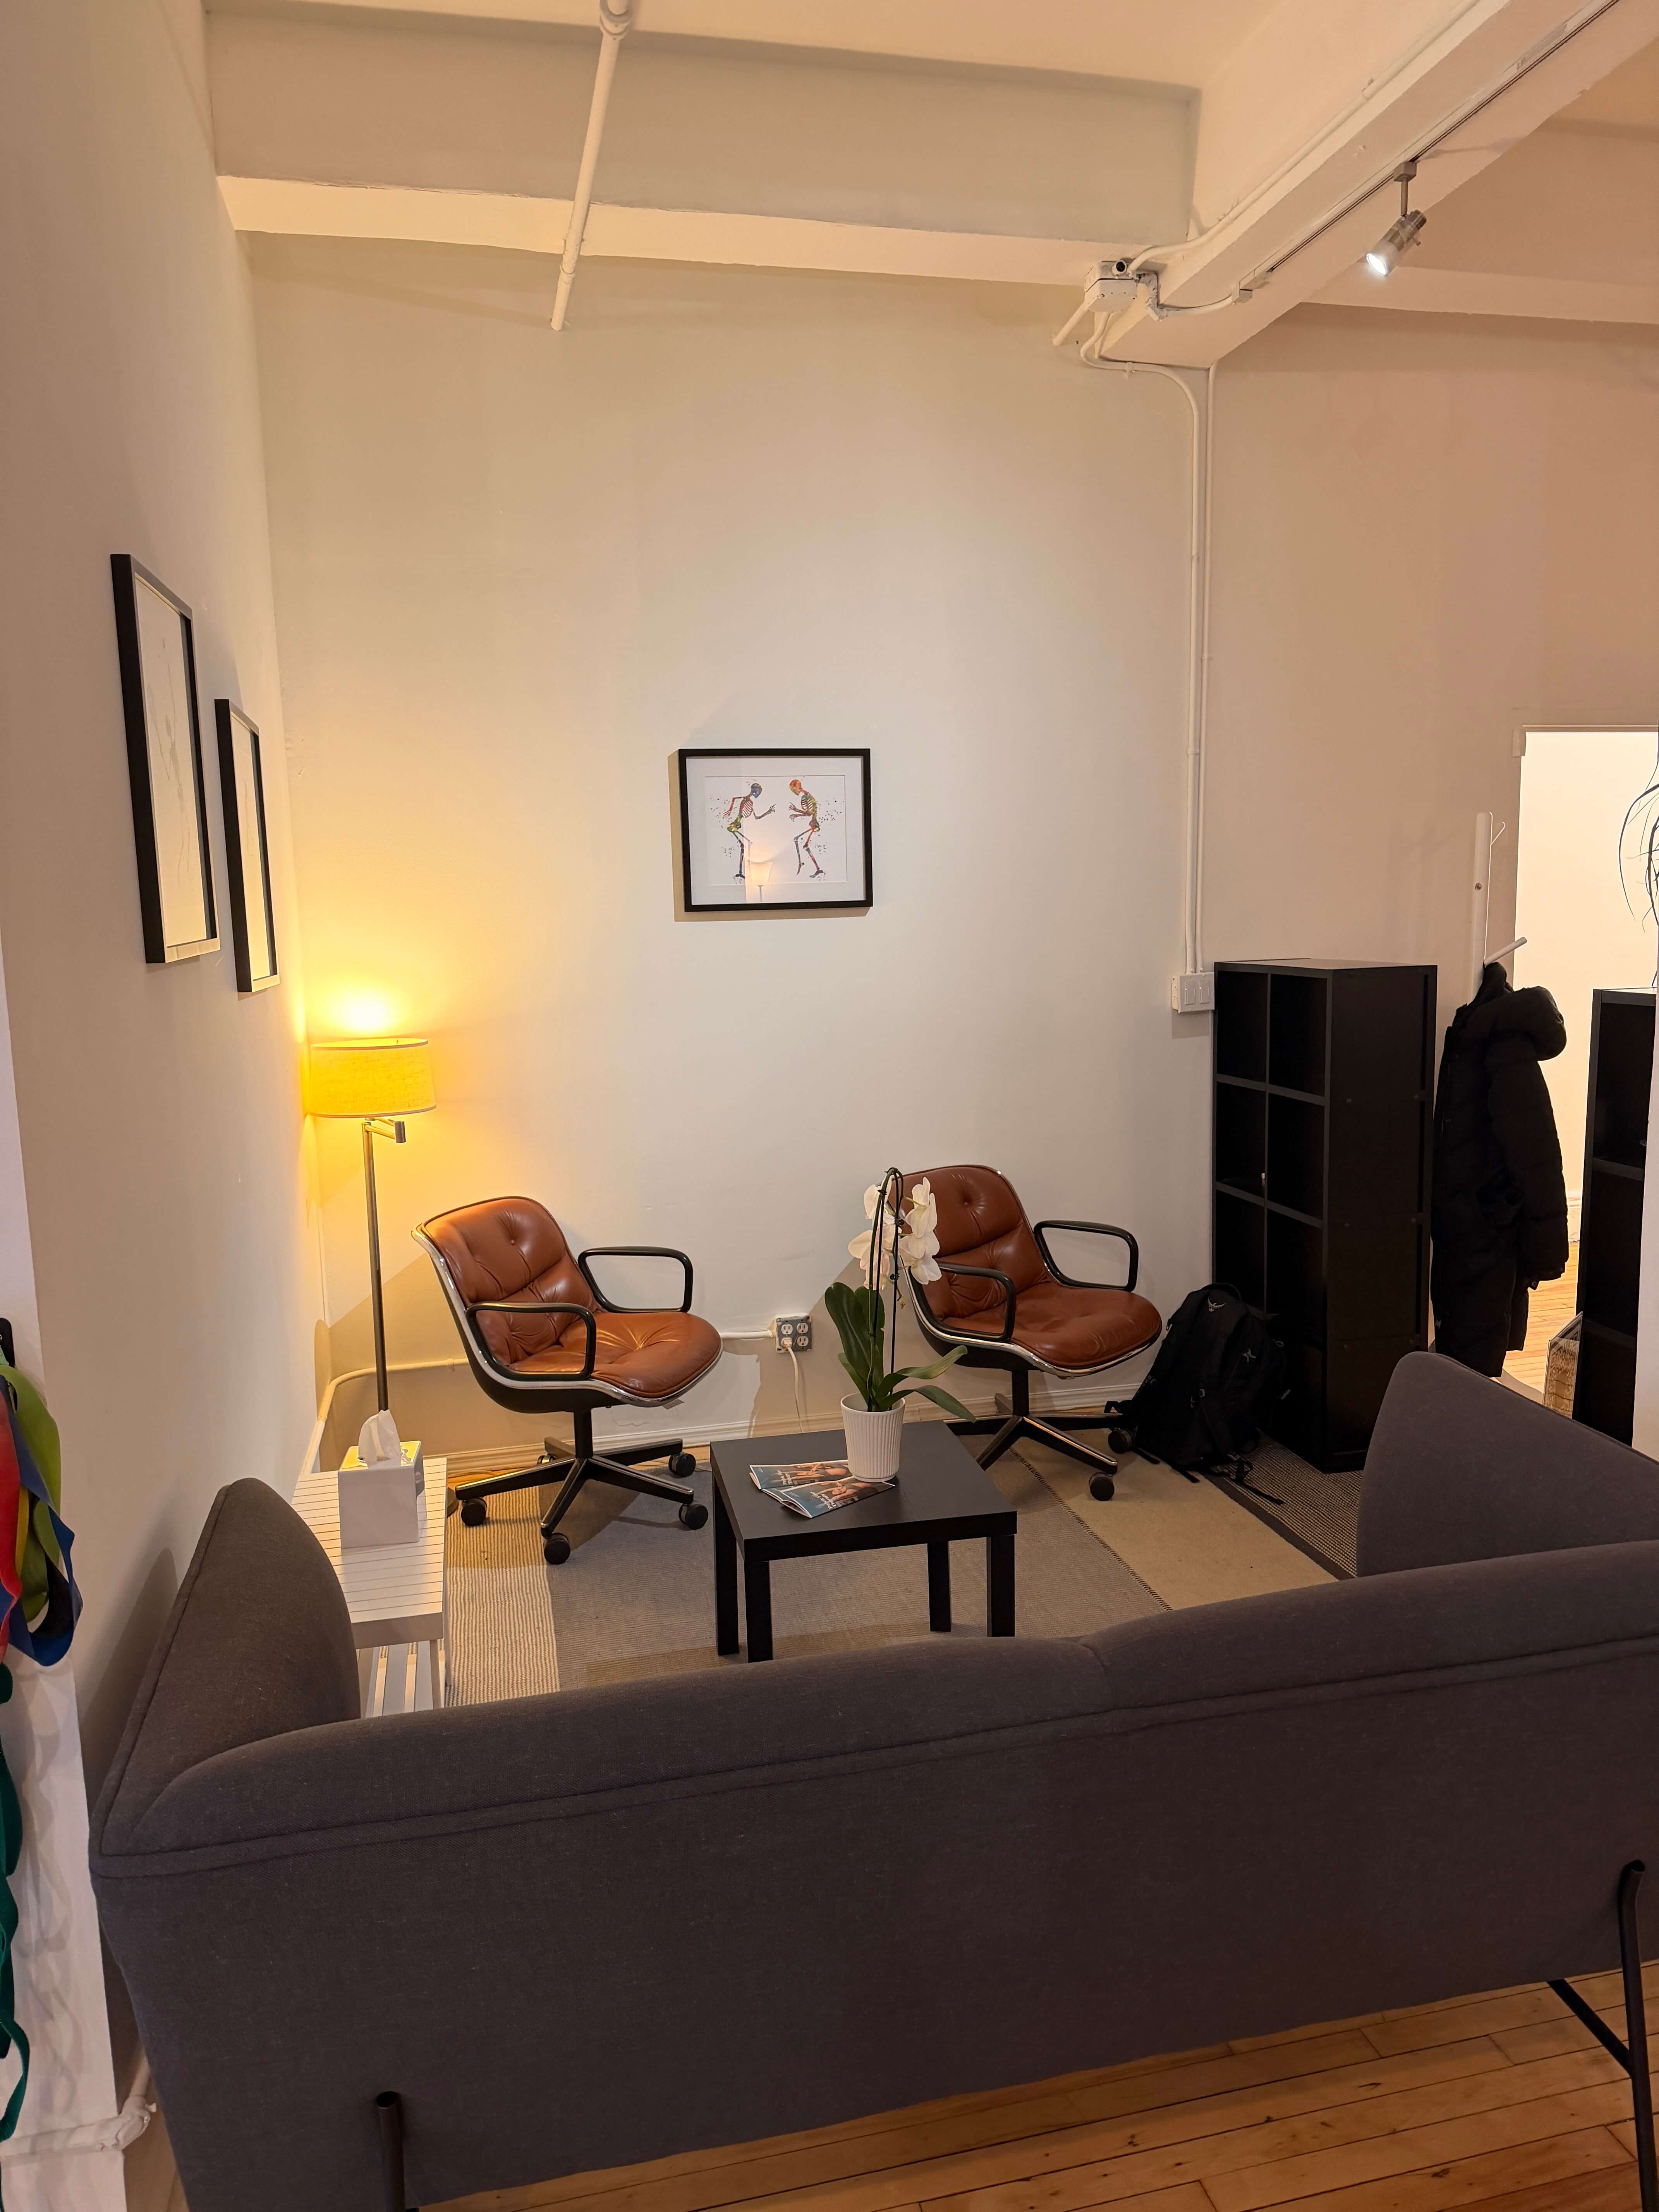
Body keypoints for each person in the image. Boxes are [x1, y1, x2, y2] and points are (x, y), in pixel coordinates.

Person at [1431, 960, 1570, 1376]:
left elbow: (1535, 1149)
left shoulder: (1503, 1044)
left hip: (1483, 1217)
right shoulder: (1482, 1032)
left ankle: (1469, 1430)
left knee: (1473, 1339)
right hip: (1470, 1212)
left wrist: (1548, 1247)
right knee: (1465, 1328)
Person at [724, 782, 774, 881]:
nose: (758, 794)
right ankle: (742, 871)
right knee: (744, 845)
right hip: (734, 826)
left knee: (747, 844)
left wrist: (769, 812)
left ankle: (742, 871)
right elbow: (734, 799)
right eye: (758, 791)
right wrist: (730, 809)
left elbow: (757, 817)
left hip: (737, 825)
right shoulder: (746, 799)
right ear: (754, 791)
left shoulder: (750, 803)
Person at [788, 778, 824, 877]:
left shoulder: (806, 797)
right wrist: (797, 813)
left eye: (793, 789)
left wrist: (797, 812)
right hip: (813, 823)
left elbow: (809, 814)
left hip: (814, 824)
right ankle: (816, 869)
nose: (794, 792)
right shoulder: (807, 796)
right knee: (804, 845)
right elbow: (810, 813)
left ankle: (811, 867)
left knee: (798, 840)